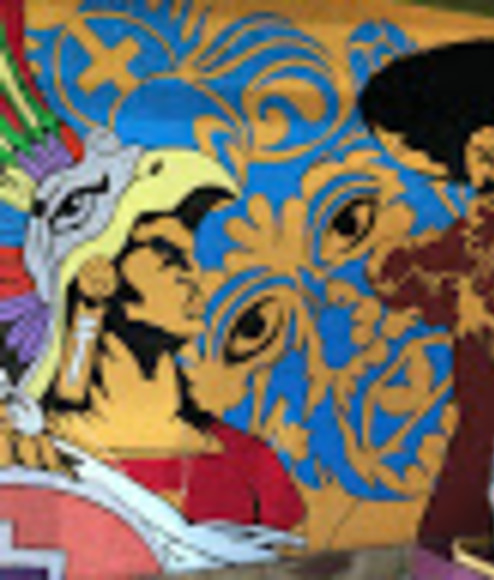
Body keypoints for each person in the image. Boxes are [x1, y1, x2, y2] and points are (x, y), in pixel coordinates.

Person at [1, 136, 304, 531]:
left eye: (191, 257)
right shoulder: (31, 459)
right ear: (96, 271)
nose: (194, 276)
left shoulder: (249, 464)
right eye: (167, 254)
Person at [358, 39, 494, 552]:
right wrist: (438, 286)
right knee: (442, 546)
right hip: (476, 436)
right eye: (482, 158)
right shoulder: (472, 233)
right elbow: (395, 275)